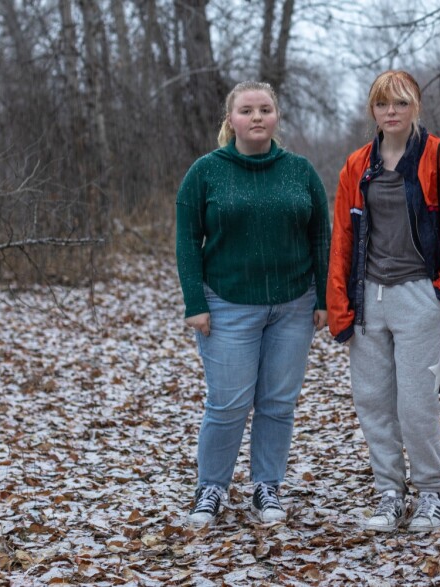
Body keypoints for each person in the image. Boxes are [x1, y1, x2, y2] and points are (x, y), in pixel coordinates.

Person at [327, 70, 440, 533]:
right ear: (372, 111)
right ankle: (389, 494)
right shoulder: (357, 165)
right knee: (373, 401)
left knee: (415, 404)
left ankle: (432, 493)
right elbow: (343, 240)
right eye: (382, 105)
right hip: (369, 298)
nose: (390, 112)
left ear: (415, 106)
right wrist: (341, 306)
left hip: (419, 296)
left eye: (399, 103)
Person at [176, 81, 330, 527]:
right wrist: (194, 302)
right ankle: (211, 488)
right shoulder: (206, 171)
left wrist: (323, 296)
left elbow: (321, 235)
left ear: (277, 117)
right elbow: (188, 240)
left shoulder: (300, 171)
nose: (257, 117)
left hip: (294, 305)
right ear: (231, 120)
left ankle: (267, 485)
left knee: (278, 402)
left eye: (265, 109)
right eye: (247, 110)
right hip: (227, 304)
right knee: (227, 404)